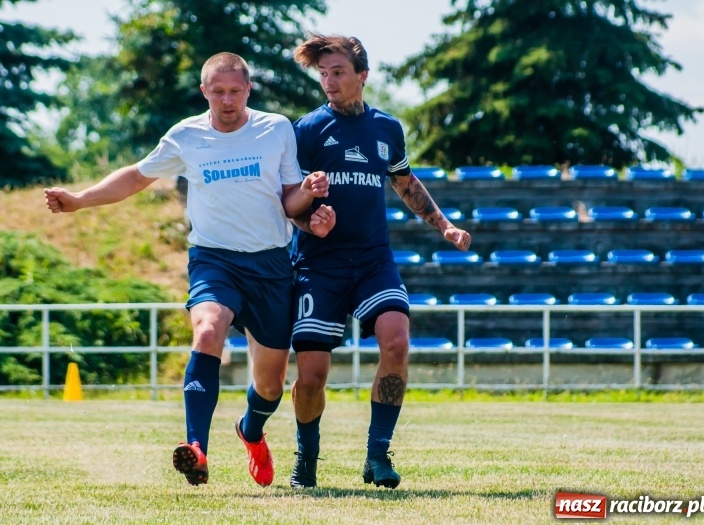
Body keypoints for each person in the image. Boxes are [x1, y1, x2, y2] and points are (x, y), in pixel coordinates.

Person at [44, 52, 335, 488]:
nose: (227, 100)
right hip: (213, 259)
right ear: (205, 92)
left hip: (272, 264)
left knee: (271, 384)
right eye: (218, 92)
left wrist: (309, 198)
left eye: (235, 91)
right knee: (206, 331)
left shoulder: (275, 129)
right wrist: (81, 199)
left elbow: (289, 198)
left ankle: (250, 430)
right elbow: (136, 176)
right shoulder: (187, 136)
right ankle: (196, 448)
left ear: (248, 90)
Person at [287, 34, 472, 489]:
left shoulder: (388, 128)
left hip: (372, 259)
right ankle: (306, 457)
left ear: (362, 76)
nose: (329, 82)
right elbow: (287, 200)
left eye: (338, 73)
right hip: (318, 263)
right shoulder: (306, 130)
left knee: (396, 342)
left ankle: (378, 455)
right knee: (311, 375)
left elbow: (406, 183)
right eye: (323, 74)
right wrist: (312, 218)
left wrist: (444, 225)